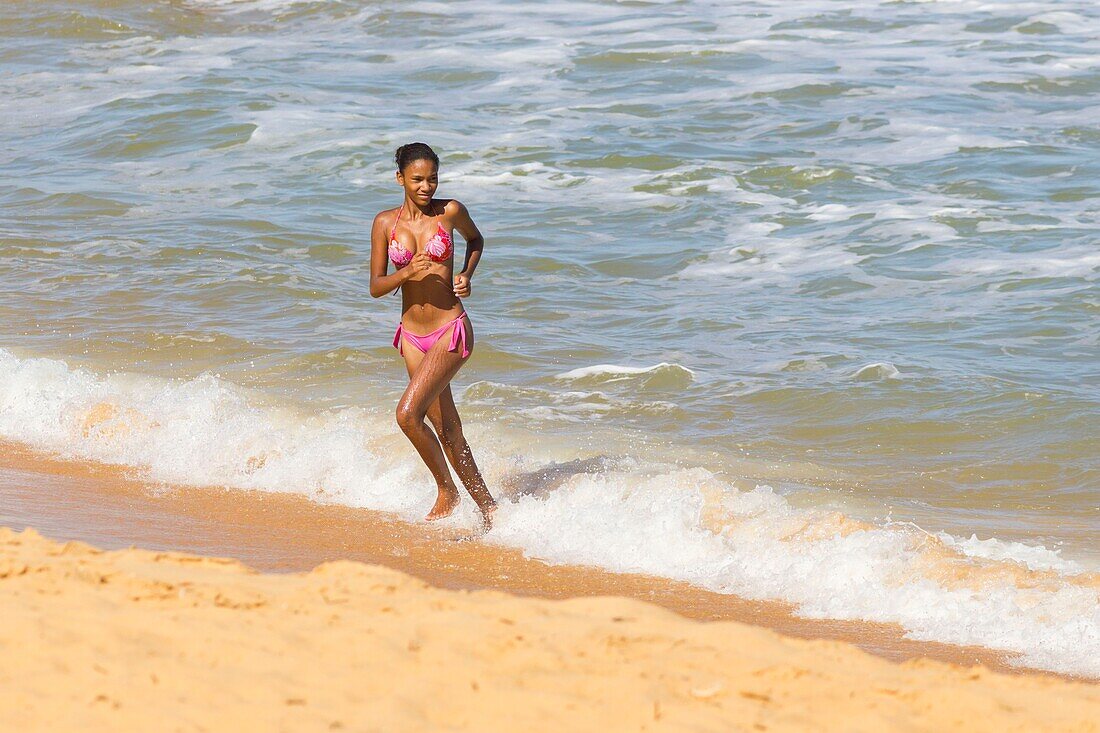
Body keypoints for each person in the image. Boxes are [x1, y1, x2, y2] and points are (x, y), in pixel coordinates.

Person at [369, 142, 496, 528]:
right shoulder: (385, 223)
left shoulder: (450, 212)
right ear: (400, 179)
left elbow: (476, 241)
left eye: (433, 179)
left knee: (408, 415)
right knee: (447, 428)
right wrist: (405, 273)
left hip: (449, 330)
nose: (427, 187)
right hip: (411, 336)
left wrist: (466, 277)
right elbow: (376, 286)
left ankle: (447, 490)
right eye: (418, 179)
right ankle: (490, 510)